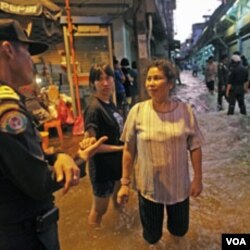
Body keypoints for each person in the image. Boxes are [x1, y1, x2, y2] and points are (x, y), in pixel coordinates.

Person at [0, 18, 107, 250]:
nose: (32, 60)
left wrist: (59, 156)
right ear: (8, 50)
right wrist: (80, 158)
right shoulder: (6, 110)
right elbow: (39, 182)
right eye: (27, 52)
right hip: (23, 236)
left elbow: (23, 157)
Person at [117, 59, 204, 246]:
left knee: (179, 233)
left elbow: (195, 146)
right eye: (148, 79)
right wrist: (125, 183)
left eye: (157, 78)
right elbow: (129, 149)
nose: (151, 83)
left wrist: (197, 179)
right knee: (152, 237)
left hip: (180, 187)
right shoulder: (137, 111)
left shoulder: (185, 111)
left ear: (170, 83)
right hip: (149, 188)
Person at [84, 63, 124, 226]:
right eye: (99, 79)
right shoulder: (94, 108)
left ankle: (122, 227)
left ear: (114, 79)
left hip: (115, 164)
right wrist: (122, 148)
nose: (105, 83)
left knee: (119, 200)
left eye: (108, 78)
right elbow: (91, 147)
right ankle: (94, 239)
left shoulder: (110, 103)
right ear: (93, 83)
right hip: (102, 169)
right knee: (99, 210)